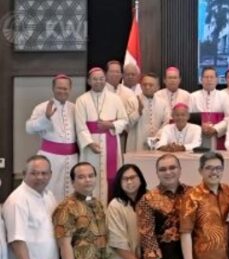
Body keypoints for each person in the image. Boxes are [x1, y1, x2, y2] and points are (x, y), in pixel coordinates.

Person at [75, 66, 129, 201]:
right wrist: (90, 143)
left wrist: (111, 125)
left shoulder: (115, 98)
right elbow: (80, 126)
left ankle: (109, 209)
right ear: (89, 81)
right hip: (90, 146)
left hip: (110, 141)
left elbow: (124, 120)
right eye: (95, 79)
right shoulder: (82, 100)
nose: (98, 81)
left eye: (101, 79)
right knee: (90, 176)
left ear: (105, 79)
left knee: (110, 176)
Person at [25, 74, 79, 199]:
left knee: (71, 192)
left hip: (72, 158)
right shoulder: (42, 107)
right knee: (50, 192)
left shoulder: (75, 108)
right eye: (59, 88)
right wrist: (45, 118)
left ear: (70, 89)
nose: (62, 91)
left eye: (65, 88)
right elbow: (29, 128)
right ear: (53, 88)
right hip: (50, 158)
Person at [126, 73, 171, 152]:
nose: (147, 87)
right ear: (140, 86)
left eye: (151, 85)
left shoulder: (163, 103)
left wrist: (156, 138)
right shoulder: (132, 101)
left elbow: (166, 123)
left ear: (157, 87)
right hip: (136, 144)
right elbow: (126, 124)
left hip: (158, 144)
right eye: (145, 84)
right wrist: (138, 112)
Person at [189, 66, 229, 150]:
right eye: (206, 77)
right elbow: (188, 117)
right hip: (198, 135)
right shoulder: (193, 96)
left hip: (218, 136)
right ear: (201, 79)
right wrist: (201, 127)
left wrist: (215, 128)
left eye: (212, 77)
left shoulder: (224, 96)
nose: (209, 80)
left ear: (217, 80)